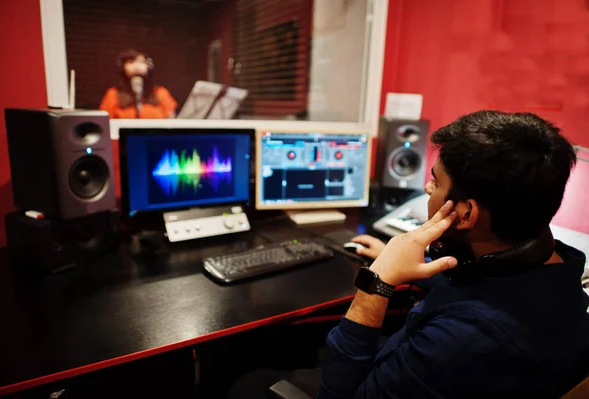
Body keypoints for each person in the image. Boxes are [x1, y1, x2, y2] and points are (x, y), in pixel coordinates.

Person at [228, 111, 589, 398]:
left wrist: (379, 280)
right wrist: (400, 258)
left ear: (465, 214)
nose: (426, 187)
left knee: (249, 381)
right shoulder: (556, 272)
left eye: (435, 180)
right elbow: (471, 290)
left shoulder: (464, 340)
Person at [99, 49, 177, 119]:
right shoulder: (113, 94)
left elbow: (171, 120)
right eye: (131, 62)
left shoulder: (160, 92)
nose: (137, 66)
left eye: (141, 62)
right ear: (123, 67)